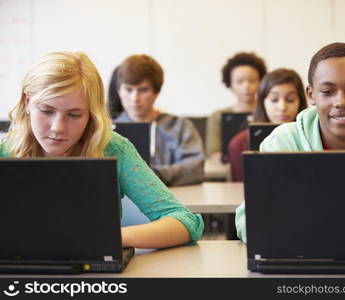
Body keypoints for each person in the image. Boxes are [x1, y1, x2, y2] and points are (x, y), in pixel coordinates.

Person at [0, 51, 204, 249]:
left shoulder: (113, 148)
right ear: (27, 102)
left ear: (91, 114)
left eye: (74, 115)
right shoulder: (3, 151)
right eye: (46, 111)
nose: (57, 128)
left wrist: (106, 237)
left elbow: (184, 222)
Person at [235, 42, 345, 250]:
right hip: (301, 264)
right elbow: (249, 219)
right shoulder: (282, 142)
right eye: (328, 92)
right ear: (311, 95)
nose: (341, 101)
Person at [108, 55, 205, 186]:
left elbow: (195, 169)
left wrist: (151, 175)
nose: (135, 98)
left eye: (143, 90)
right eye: (128, 90)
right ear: (119, 90)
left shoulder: (180, 127)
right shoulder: (108, 131)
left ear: (156, 92)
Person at [228, 68, 308, 181]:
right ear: (262, 102)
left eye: (290, 99)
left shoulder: (312, 138)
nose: (282, 107)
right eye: (274, 99)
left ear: (300, 102)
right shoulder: (240, 144)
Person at [205, 52, 267, 160]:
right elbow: (214, 154)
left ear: (261, 82)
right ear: (230, 83)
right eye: (239, 81)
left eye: (252, 80)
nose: (246, 86)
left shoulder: (271, 112)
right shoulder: (217, 116)